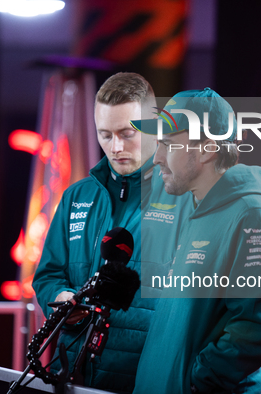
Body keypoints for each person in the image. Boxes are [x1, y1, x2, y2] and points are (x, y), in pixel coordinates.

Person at [32, 72, 192, 393]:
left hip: (148, 379)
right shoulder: (77, 197)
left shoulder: (184, 196)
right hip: (74, 375)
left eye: (126, 133)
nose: (115, 147)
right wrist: (61, 298)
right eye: (105, 135)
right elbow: (48, 275)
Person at [130, 88, 261, 394]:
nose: (157, 157)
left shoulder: (254, 214)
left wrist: (197, 382)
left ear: (207, 150)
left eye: (168, 144)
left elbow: (257, 327)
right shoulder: (195, 208)